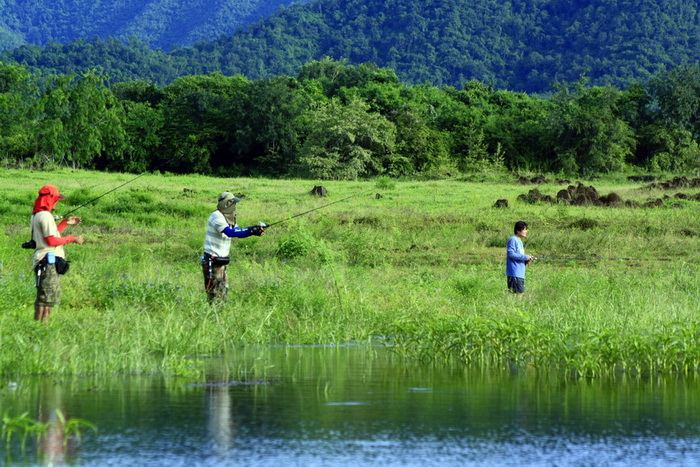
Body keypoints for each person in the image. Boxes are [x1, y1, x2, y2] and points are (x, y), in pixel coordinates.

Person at [31, 184, 84, 321]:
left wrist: (65, 223)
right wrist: (73, 238)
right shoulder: (45, 216)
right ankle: (42, 327)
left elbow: (51, 235)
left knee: (46, 297)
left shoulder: (37, 215)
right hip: (47, 261)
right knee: (45, 300)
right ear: (50, 198)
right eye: (56, 199)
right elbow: (51, 241)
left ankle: (40, 326)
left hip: (43, 260)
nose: (56, 202)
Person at [202, 192, 265, 303]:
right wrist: (251, 230)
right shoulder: (216, 216)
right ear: (226, 204)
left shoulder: (228, 219)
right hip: (213, 260)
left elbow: (239, 231)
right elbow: (230, 233)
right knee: (215, 293)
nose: (234, 206)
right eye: (232, 203)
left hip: (221, 261)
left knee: (223, 291)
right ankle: (214, 315)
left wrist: (254, 231)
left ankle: (218, 315)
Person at [506, 220, 534, 295]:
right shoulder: (513, 240)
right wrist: (525, 257)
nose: (526, 231)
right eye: (524, 229)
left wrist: (526, 260)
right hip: (515, 272)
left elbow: (519, 256)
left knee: (519, 294)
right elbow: (511, 254)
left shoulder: (520, 241)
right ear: (518, 230)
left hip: (520, 272)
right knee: (519, 294)